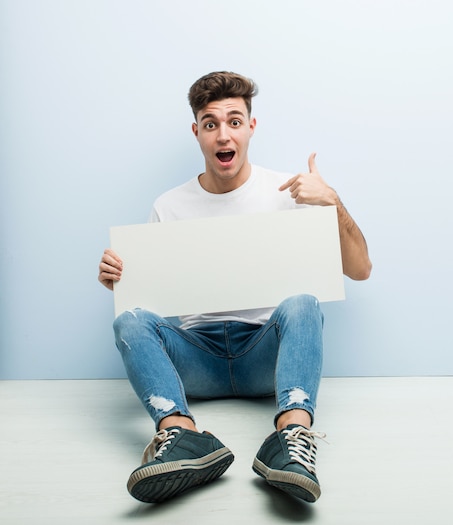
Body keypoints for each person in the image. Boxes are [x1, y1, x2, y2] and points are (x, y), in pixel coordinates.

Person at [98, 71, 371, 504]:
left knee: (303, 302)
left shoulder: (289, 192)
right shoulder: (168, 206)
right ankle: (182, 436)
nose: (223, 135)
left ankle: (292, 441)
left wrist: (332, 200)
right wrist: (118, 275)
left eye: (234, 121)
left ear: (251, 127)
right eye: (211, 124)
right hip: (198, 360)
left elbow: (360, 270)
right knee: (129, 321)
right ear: (197, 133)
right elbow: (146, 303)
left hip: (267, 354)